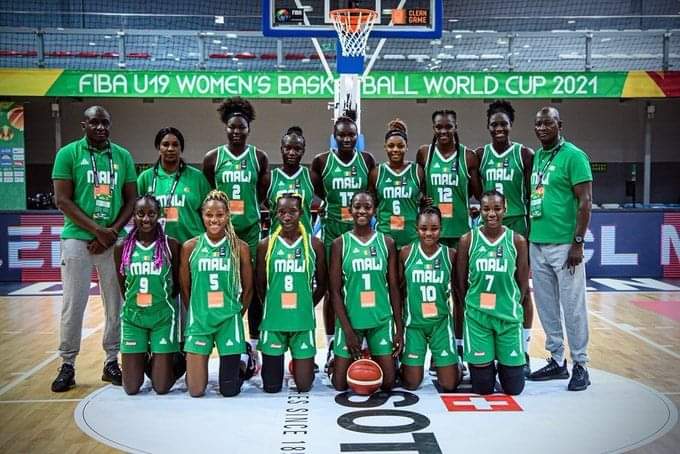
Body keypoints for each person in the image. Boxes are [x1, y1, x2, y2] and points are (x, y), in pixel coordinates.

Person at [51, 105, 137, 392]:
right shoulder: (68, 154)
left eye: (105, 123)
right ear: (84, 125)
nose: (100, 127)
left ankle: (111, 361)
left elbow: (131, 200)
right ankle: (67, 364)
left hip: (113, 239)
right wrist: (97, 230)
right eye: (94, 123)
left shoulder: (122, 156)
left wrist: (110, 233)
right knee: (73, 303)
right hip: (77, 239)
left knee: (116, 303)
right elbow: (62, 200)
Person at [527, 107, 593, 392]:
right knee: (547, 306)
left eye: (548, 123)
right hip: (537, 242)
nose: (542, 128)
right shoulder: (538, 157)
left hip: (566, 245)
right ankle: (556, 359)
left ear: (559, 125)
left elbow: (586, 202)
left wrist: (578, 242)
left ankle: (581, 365)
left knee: (572, 307)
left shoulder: (574, 156)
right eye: (538, 123)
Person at [202, 97, 269, 370]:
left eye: (241, 127)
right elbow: (210, 195)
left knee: (252, 289)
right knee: (227, 287)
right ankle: (230, 340)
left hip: (250, 232)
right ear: (225, 128)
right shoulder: (212, 158)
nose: (237, 131)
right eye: (232, 127)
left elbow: (261, 194)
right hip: (223, 233)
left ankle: (253, 346)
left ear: (249, 128)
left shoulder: (259, 158)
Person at [311, 113, 376, 373]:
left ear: (357, 137)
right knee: (331, 289)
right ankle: (330, 342)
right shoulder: (321, 161)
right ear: (334, 137)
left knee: (362, 285)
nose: (347, 139)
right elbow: (316, 193)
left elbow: (372, 194)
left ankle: (367, 339)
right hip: (333, 232)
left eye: (351, 135)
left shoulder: (366, 160)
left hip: (361, 232)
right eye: (342, 135)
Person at [476, 100, 534, 376]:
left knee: (521, 287)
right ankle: (485, 344)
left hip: (516, 224)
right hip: (488, 225)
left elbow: (533, 193)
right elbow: (476, 191)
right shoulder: (480, 155)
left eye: (503, 124)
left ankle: (523, 347)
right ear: (488, 126)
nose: (499, 128)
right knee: (487, 283)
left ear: (511, 125)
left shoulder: (524, 154)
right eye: (494, 124)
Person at [179, 190, 254, 397]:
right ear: (202, 215)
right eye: (209, 215)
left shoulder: (240, 247)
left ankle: (245, 361)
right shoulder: (190, 247)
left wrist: (236, 315)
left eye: (220, 215)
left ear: (228, 215)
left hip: (228, 320)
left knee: (229, 390)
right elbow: (184, 287)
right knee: (195, 390)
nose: (214, 220)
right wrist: (197, 311)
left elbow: (248, 289)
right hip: (200, 321)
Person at [456, 190, 530, 396]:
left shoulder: (517, 241)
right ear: (479, 211)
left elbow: (522, 283)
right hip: (478, 319)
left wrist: (510, 304)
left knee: (514, 388)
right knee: (483, 388)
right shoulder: (467, 240)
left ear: (505, 209)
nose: (491, 214)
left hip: (508, 318)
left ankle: (503, 362)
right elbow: (460, 282)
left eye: (497, 208)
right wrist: (472, 306)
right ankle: (485, 364)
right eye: (486, 209)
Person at [329, 191, 402, 391]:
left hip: (380, 320)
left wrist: (399, 328)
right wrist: (348, 332)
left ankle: (374, 354)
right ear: (350, 210)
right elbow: (334, 291)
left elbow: (394, 288)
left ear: (374, 210)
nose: (362, 211)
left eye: (367, 207)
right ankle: (337, 359)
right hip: (351, 321)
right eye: (357, 207)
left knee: (388, 383)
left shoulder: (387, 243)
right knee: (339, 384)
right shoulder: (339, 244)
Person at [255, 194, 327, 393]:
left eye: (292, 212)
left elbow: (322, 284)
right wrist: (272, 307)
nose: (287, 217)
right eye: (282, 212)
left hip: (302, 322)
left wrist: (306, 305)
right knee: (271, 387)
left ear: (301, 213)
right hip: (274, 323)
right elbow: (260, 285)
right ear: (276, 214)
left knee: (304, 386)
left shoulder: (315, 245)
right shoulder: (265, 245)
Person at [114, 194, 180, 395]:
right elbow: (124, 286)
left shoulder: (171, 245)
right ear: (133, 215)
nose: (146, 219)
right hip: (134, 319)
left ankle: (177, 359)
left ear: (159, 215)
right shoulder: (121, 247)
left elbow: (176, 285)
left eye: (151, 214)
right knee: (131, 388)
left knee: (161, 387)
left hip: (162, 319)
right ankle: (142, 353)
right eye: (140, 213)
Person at [399, 206, 461, 392]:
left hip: (440, 324)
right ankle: (400, 363)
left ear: (441, 228)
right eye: (423, 228)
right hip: (414, 325)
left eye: (434, 228)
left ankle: (454, 362)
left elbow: (458, 294)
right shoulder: (406, 253)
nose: (428, 233)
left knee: (449, 385)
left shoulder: (450, 255)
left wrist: (459, 338)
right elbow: (399, 291)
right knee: (411, 383)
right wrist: (398, 328)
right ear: (416, 229)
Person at [417, 109, 481, 249]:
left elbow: (477, 193)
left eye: (449, 127)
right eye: (439, 127)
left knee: (460, 264)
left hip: (460, 228)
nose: (443, 131)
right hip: (433, 231)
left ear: (456, 127)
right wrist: (422, 198)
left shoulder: (468, 156)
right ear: (433, 128)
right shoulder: (424, 153)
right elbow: (419, 186)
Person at [137, 127, 211, 244]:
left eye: (175, 145)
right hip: (157, 246)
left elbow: (210, 213)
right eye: (165, 144)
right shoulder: (145, 178)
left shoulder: (197, 177)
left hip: (193, 244)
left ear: (181, 149)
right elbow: (136, 214)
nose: (170, 148)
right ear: (158, 148)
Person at [369, 119, 425, 249]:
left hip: (412, 236)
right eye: (391, 146)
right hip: (385, 236)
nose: (395, 149)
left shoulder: (417, 171)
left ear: (406, 147)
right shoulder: (377, 173)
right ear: (385, 147)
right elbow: (371, 203)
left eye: (400, 146)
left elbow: (426, 199)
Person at [266, 127, 314, 234]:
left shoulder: (311, 177)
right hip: (277, 238)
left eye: (297, 149)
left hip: (305, 238)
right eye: (288, 148)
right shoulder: (270, 178)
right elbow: (258, 202)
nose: (292, 153)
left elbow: (327, 197)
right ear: (281, 149)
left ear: (303, 151)